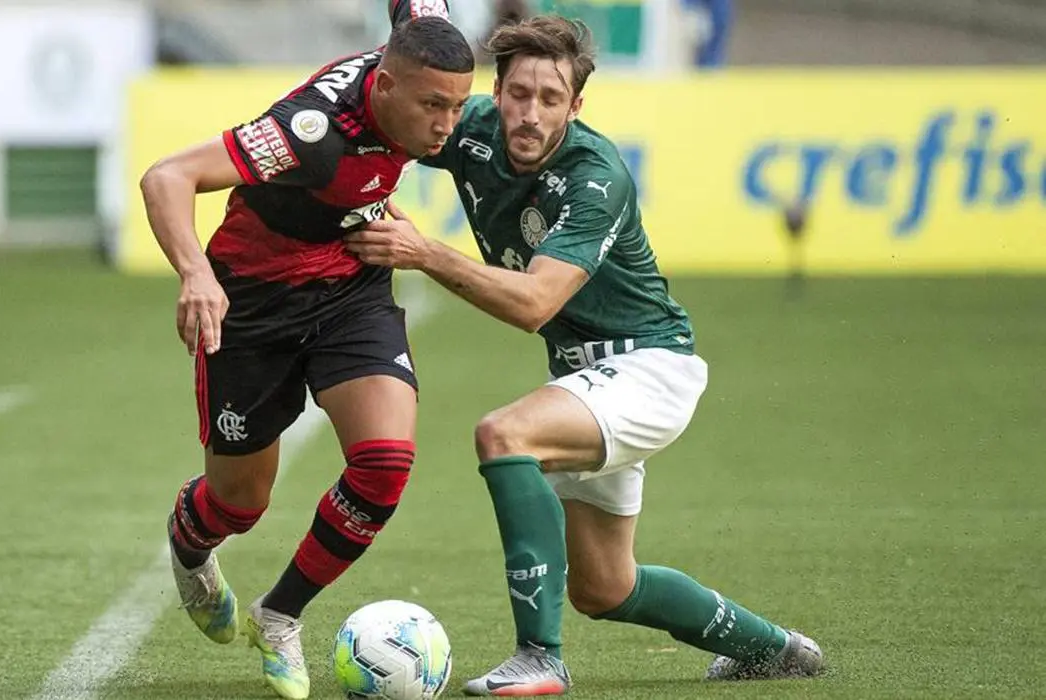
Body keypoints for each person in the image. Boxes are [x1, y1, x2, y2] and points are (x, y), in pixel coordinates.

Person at [346, 15, 825, 696]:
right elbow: (385, 122)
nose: (531, 113)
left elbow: (536, 303)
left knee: (504, 435)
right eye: (519, 94)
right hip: (585, 376)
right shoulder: (473, 127)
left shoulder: (596, 177)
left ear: (576, 106)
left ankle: (539, 657)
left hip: (650, 368)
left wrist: (425, 252)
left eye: (550, 99)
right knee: (605, 587)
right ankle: (774, 649)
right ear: (498, 92)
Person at [137, 5, 474, 699]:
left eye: (459, 105)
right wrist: (196, 275)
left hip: (350, 287)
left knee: (385, 465)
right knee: (239, 503)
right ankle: (190, 541)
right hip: (252, 307)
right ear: (383, 85)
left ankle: (280, 612)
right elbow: (166, 177)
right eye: (432, 105)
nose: (447, 124)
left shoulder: (415, 48)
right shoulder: (308, 136)